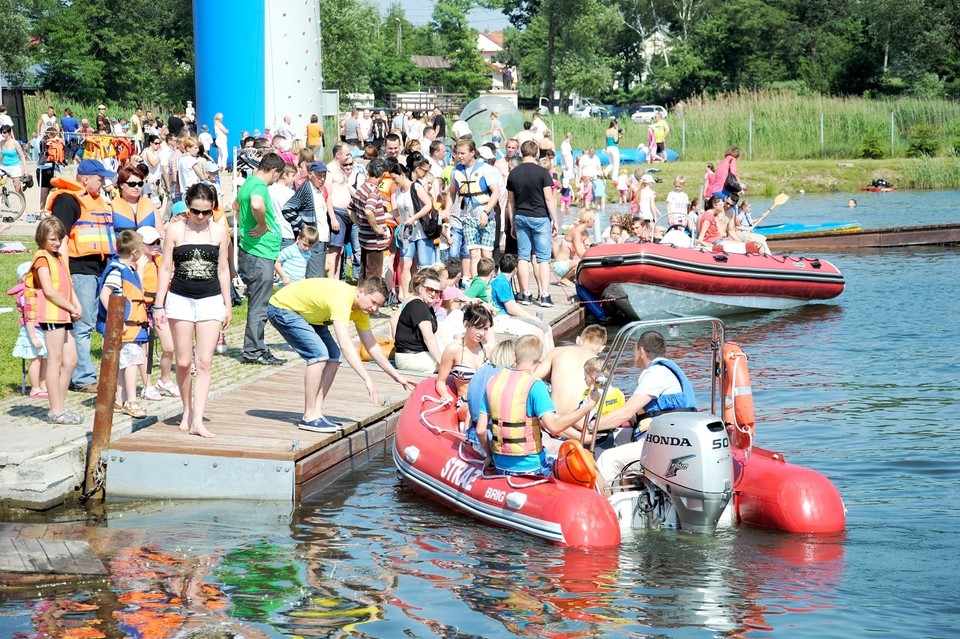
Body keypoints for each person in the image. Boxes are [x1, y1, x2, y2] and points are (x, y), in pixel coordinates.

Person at [267, 276, 414, 432]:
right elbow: (345, 345)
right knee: (319, 355)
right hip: (282, 308)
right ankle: (309, 416)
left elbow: (371, 345)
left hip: (310, 316)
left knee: (334, 357)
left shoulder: (361, 311)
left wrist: (396, 376)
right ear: (360, 292)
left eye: (379, 305)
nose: (375, 309)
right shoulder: (342, 299)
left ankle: (316, 412)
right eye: (373, 302)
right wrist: (367, 379)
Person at [152, 183, 233, 437]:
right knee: (184, 361)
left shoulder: (220, 233)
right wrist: (158, 303)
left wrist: (227, 303)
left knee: (205, 361)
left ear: (213, 210)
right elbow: (165, 268)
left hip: (210, 299)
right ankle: (187, 409)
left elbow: (223, 269)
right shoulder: (175, 230)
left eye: (205, 212)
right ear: (187, 208)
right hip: (180, 298)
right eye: (195, 211)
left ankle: (198, 419)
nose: (199, 217)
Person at [476, 335, 596, 475]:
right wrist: (589, 405)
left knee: (548, 445)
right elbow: (555, 428)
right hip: (531, 466)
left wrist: (490, 456)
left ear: (515, 356)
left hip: (500, 464)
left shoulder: (493, 380)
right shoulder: (535, 385)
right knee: (578, 459)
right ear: (540, 359)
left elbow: (480, 430)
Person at [593, 331, 698, 486]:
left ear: (641, 351)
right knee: (614, 436)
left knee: (607, 459)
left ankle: (610, 505)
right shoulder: (665, 370)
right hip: (667, 437)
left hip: (664, 444)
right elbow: (642, 414)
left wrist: (592, 425)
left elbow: (626, 412)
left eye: (634, 351)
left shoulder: (655, 373)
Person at [48, 159, 117, 394]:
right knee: (82, 324)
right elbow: (60, 237)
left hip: (99, 268)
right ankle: (82, 377)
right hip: (79, 269)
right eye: (100, 178)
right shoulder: (68, 200)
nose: (104, 182)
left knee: (94, 323)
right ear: (85, 179)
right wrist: (64, 272)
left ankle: (82, 372)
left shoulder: (98, 201)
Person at [26, 217, 83, 424]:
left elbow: (67, 284)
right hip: (52, 314)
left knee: (71, 361)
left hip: (65, 314)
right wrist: (69, 307)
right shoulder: (42, 258)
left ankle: (60, 404)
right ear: (42, 238)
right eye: (52, 239)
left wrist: (76, 304)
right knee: (55, 361)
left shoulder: (58, 256)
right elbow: (49, 290)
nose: (57, 243)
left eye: (59, 238)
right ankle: (55, 410)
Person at [237, 152, 285, 366]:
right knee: (259, 305)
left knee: (258, 302)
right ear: (274, 172)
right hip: (259, 254)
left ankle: (255, 347)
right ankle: (254, 350)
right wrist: (262, 225)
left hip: (254, 251)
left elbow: (236, 206)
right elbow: (256, 205)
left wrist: (244, 228)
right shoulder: (259, 188)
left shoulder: (247, 182)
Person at [96, 230, 150, 419]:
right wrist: (117, 320)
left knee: (124, 362)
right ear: (135, 251)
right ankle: (131, 401)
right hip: (126, 326)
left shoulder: (130, 269)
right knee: (132, 362)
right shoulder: (117, 270)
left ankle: (119, 398)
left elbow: (135, 291)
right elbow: (105, 294)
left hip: (133, 327)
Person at [507, 140, 557, 307]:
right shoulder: (543, 173)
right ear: (536, 154)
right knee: (543, 259)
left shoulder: (513, 173)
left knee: (523, 257)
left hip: (521, 216)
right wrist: (555, 219)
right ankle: (544, 295)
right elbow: (549, 197)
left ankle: (525, 294)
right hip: (540, 217)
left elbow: (510, 202)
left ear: (521, 153)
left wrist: (512, 222)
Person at [446, 140, 501, 277]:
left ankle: (489, 282)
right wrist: (447, 210)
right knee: (473, 253)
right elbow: (452, 192)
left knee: (486, 253)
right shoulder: (456, 170)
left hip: (485, 215)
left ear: (472, 153)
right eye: (458, 153)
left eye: (463, 153)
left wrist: (486, 212)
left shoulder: (485, 169)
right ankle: (476, 282)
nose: (460, 156)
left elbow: (496, 192)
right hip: (467, 216)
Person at [135, 226, 179, 401]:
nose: (155, 245)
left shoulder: (160, 260)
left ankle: (164, 380)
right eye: (150, 243)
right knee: (144, 350)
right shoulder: (136, 263)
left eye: (157, 241)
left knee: (169, 346)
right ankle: (147, 385)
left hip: (159, 307)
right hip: (142, 308)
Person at [435, 302, 493, 422]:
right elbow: (440, 381)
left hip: (487, 400)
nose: (481, 333)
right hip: (466, 402)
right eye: (478, 327)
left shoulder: (488, 348)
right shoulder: (453, 350)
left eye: (485, 329)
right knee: (476, 410)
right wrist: (444, 394)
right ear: (466, 325)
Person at [535, 324, 607, 415]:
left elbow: (532, 378)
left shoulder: (558, 351)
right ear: (602, 348)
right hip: (581, 419)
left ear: (578, 340)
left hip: (555, 418)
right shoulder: (599, 364)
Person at [490, 253, 554, 352]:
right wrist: (532, 318)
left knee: (547, 328)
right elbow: (511, 309)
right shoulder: (501, 282)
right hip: (500, 320)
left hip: (505, 318)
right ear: (515, 269)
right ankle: (543, 361)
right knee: (538, 331)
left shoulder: (504, 280)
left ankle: (550, 358)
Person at [281, 160, 331, 278]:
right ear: (310, 174)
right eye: (319, 175)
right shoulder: (306, 189)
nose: (322, 178)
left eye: (324, 175)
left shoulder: (318, 189)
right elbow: (287, 209)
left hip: (321, 239)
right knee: (314, 277)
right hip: (312, 240)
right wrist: (303, 227)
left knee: (318, 275)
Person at [8, 261, 48, 399]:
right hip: (33, 330)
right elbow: (29, 316)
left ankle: (44, 385)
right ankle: (35, 388)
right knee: (36, 360)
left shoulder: (40, 291)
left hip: (43, 328)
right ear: (24, 278)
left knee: (45, 360)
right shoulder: (26, 294)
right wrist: (33, 337)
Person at [394, 270, 444, 374]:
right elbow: (428, 338)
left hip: (419, 353)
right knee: (448, 367)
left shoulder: (427, 307)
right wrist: (442, 363)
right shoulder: (418, 306)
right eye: (430, 290)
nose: (433, 294)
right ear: (421, 289)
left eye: (437, 291)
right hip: (410, 357)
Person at [111, 165, 163, 239]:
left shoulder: (150, 205)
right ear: (121, 185)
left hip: (149, 249)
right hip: (123, 249)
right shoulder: (112, 207)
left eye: (140, 184)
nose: (136, 187)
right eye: (132, 184)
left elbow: (161, 234)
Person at [551, 209, 594, 281]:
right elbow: (580, 253)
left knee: (588, 261)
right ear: (589, 220)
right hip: (560, 265)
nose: (594, 222)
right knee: (583, 262)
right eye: (593, 220)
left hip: (569, 263)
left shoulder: (585, 233)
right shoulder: (575, 233)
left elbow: (589, 248)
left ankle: (570, 278)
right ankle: (564, 279)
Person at [1, 124, 28, 194]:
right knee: (0, 186)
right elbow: (0, 156)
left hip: (14, 166)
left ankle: (23, 204)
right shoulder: (1, 143)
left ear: (9, 133)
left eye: (4, 132)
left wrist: (25, 170)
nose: (2, 134)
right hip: (4, 166)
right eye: (1, 132)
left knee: (17, 189)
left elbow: (22, 156)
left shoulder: (15, 143)